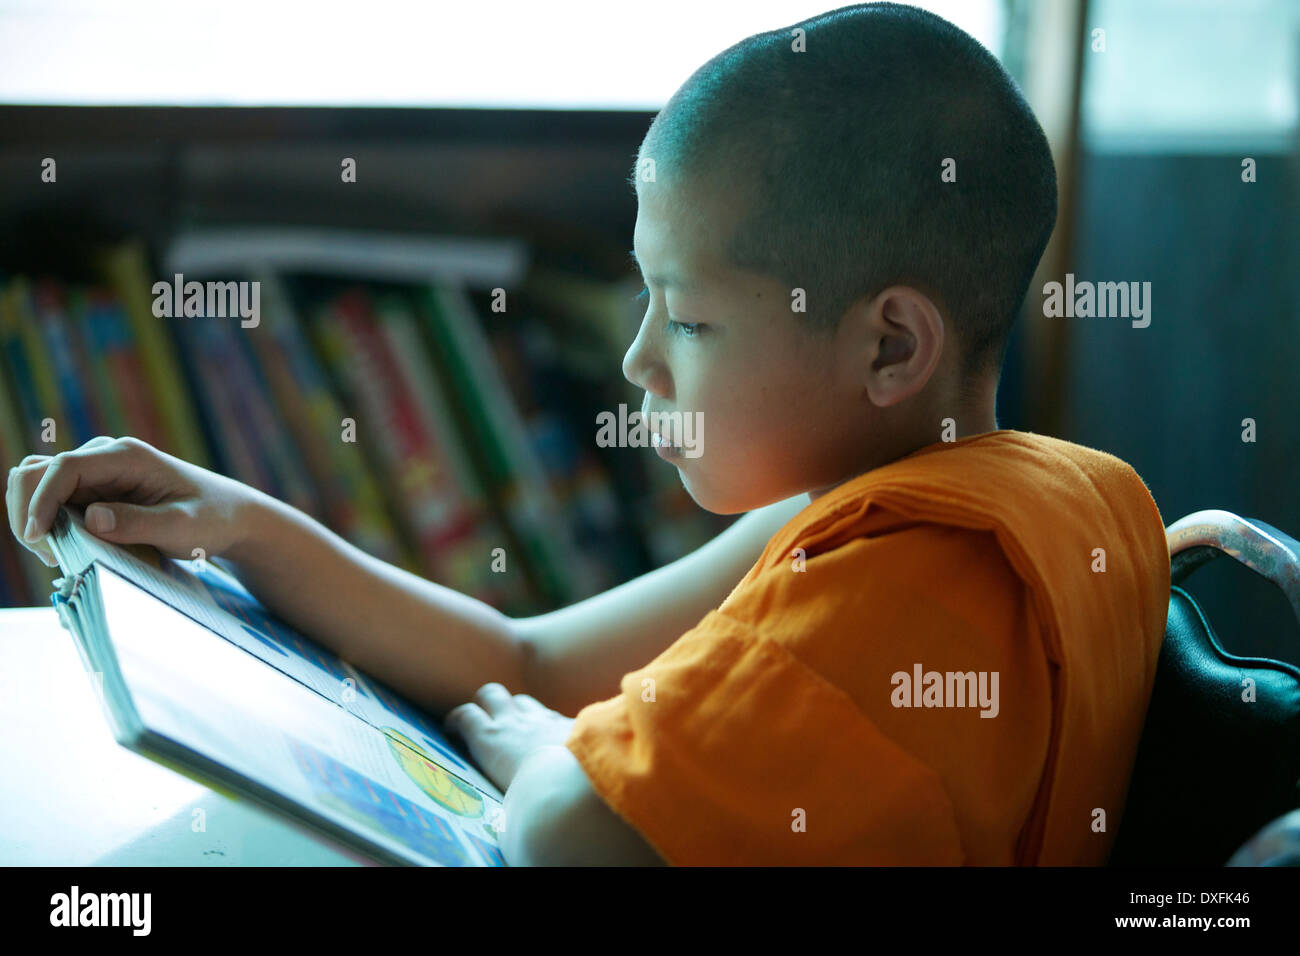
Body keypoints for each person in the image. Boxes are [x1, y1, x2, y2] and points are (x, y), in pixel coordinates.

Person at [6, 3, 1170, 865]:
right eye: (647, 298)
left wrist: (542, 758)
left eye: (694, 317)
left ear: (887, 349)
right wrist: (248, 526)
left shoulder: (900, 580)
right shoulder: (1046, 492)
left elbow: (573, 837)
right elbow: (528, 662)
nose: (638, 358)